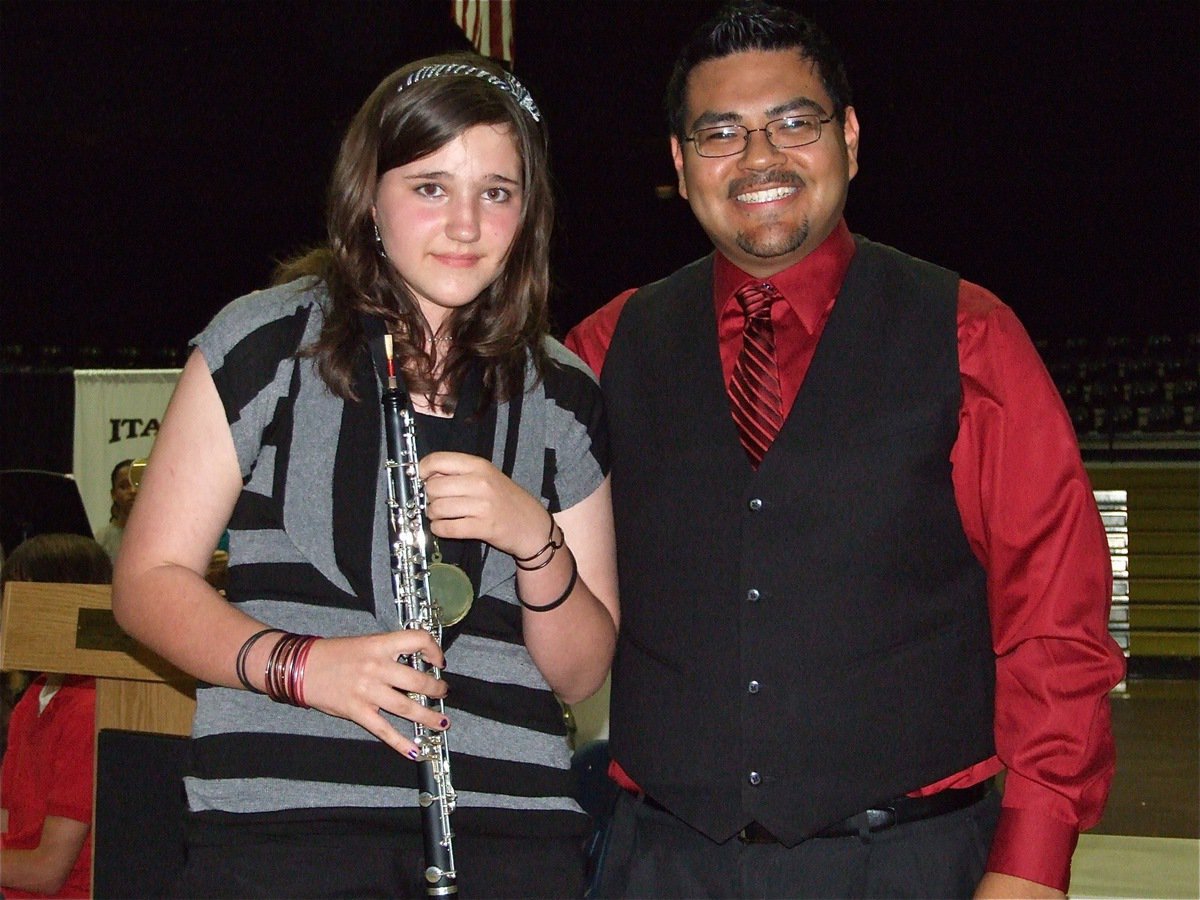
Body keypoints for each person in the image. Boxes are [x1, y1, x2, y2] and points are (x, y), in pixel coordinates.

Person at [565, 3, 1125, 897]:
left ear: (850, 139)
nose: (758, 159)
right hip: (660, 862)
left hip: (909, 865)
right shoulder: (602, 349)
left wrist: (1032, 862)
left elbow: (1056, 619)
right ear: (678, 162)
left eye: (793, 122)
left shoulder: (970, 337)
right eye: (720, 133)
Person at [112, 52, 617, 898]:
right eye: (429, 187)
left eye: (496, 192)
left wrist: (537, 543)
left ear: (527, 214)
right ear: (369, 198)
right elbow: (147, 583)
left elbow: (579, 674)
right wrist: (303, 666)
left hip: (511, 835)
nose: (464, 224)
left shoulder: (564, 392)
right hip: (282, 832)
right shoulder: (261, 344)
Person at [1, 533, 112, 899]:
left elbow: (48, 871)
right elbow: (7, 819)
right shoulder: (36, 694)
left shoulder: (89, 704)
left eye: (26, 600)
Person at [93, 458, 135, 560]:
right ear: (114, 494)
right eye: (124, 486)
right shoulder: (101, 540)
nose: (132, 491)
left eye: (137, 484)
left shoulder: (161, 537)